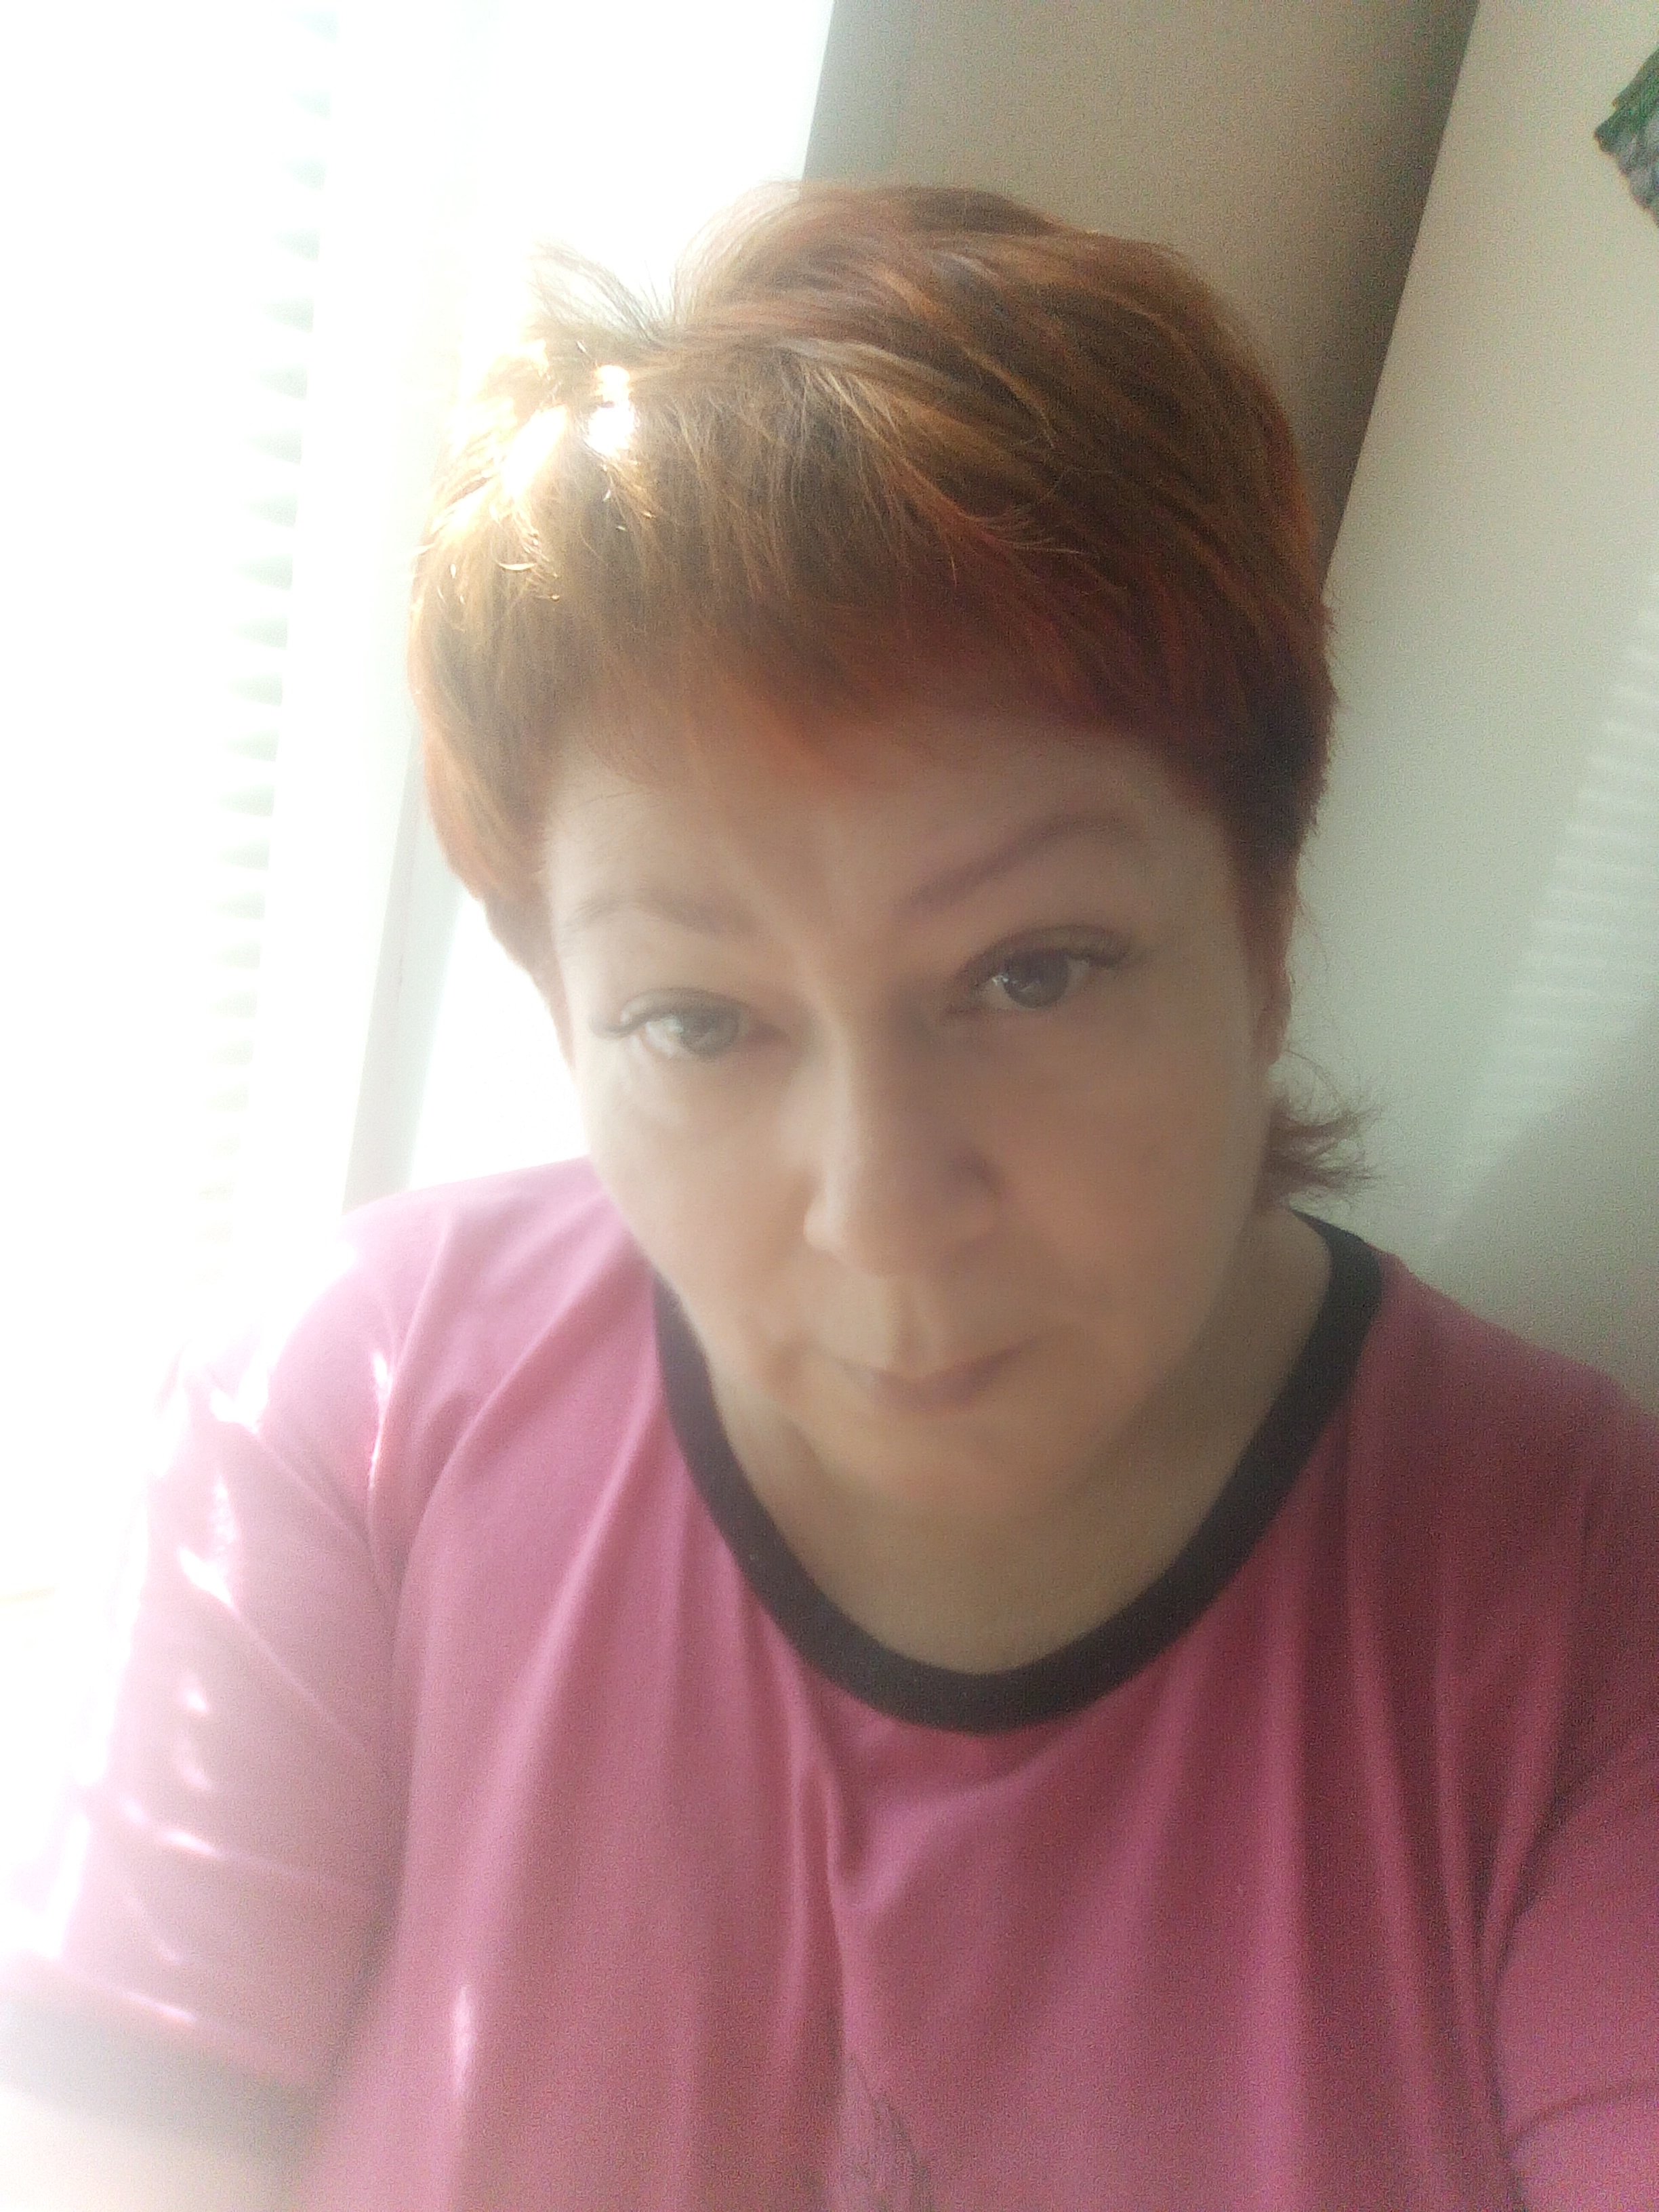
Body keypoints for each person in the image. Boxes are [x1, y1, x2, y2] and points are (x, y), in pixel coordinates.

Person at [3, 184, 1656, 2211]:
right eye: (699, 1022)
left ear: (1264, 931)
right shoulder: (348, 1413)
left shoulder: (1578, 1586)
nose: (880, 1214)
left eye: (1033, 974)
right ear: (561, 1011)